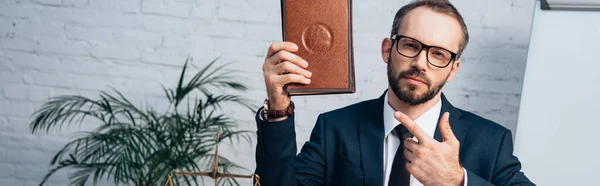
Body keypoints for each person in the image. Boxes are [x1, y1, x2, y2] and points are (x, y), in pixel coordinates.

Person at [253, 0, 535, 185]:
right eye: (411, 45)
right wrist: (278, 108)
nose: (420, 63)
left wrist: (457, 181)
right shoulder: (334, 129)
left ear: (453, 69)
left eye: (438, 54)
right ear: (387, 50)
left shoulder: (490, 142)